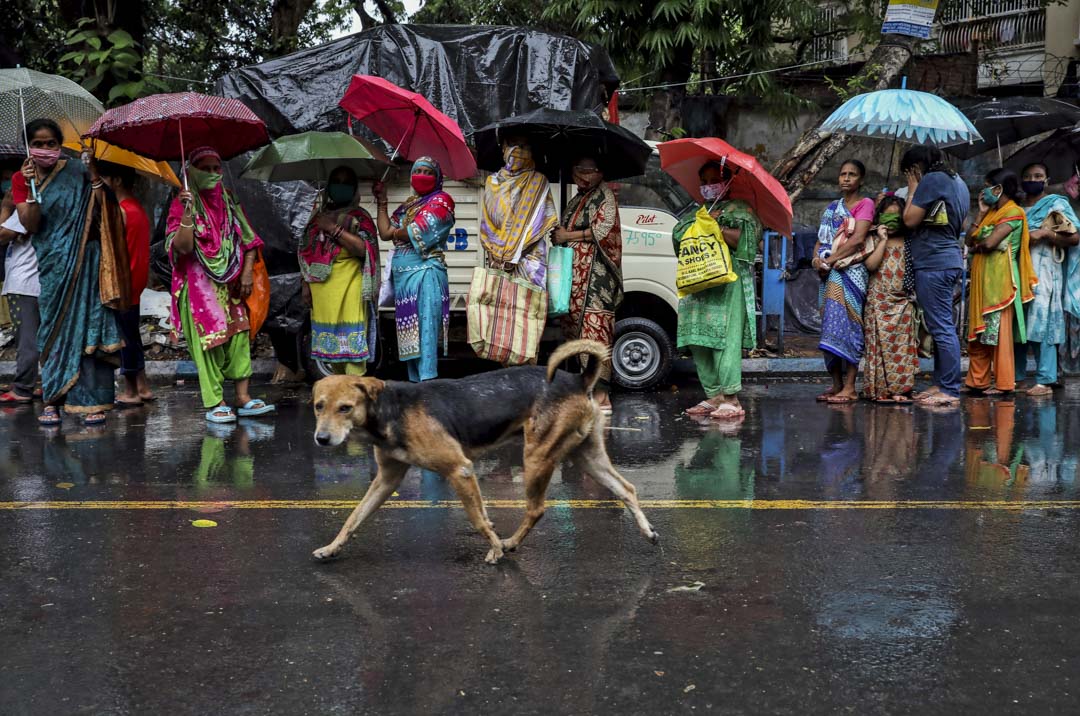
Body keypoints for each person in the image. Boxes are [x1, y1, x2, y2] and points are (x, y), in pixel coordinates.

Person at [12, 119, 124, 426]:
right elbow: (31, 224)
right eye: (38, 143)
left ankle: (92, 402)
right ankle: (53, 400)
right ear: (28, 146)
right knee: (53, 330)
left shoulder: (76, 171)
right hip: (52, 266)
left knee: (88, 326)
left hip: (87, 261)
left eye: (51, 143)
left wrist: (93, 174)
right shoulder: (21, 179)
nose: (46, 149)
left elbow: (107, 210)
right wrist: (32, 190)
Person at [166, 146, 274, 423]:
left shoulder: (228, 200)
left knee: (239, 336)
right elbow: (184, 248)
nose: (214, 174)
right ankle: (216, 402)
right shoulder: (181, 203)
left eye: (217, 169)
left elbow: (250, 242)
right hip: (198, 287)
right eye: (206, 169)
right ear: (191, 173)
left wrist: (247, 273)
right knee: (209, 342)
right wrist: (188, 213)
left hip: (231, 282)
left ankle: (243, 397)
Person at [678, 160, 762, 420]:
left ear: (726, 182)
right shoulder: (697, 211)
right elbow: (678, 236)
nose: (707, 187)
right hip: (698, 285)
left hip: (728, 285)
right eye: (703, 182)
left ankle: (731, 399)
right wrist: (699, 225)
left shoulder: (742, 210)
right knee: (699, 338)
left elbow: (747, 241)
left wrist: (717, 228)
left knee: (725, 339)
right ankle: (713, 395)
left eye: (713, 181)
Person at [901, 145, 970, 408]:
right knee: (942, 326)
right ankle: (942, 382)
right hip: (947, 258)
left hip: (933, 262)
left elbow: (909, 219)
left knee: (941, 327)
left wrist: (912, 187)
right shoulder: (957, 180)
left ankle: (950, 389)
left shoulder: (931, 179)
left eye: (909, 171)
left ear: (916, 167)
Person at [374, 157, 454, 382]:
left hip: (426, 274)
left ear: (437, 178)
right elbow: (384, 232)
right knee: (409, 336)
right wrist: (382, 201)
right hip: (404, 280)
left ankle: (427, 387)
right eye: (417, 171)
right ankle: (414, 384)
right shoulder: (408, 205)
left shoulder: (442, 201)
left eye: (427, 172)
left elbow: (417, 230)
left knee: (426, 333)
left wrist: (397, 232)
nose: (421, 175)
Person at [553, 156, 622, 413]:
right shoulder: (577, 199)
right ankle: (586, 390)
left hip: (596, 279)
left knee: (596, 331)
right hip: (575, 277)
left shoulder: (605, 196)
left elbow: (604, 231)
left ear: (600, 172)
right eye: (578, 171)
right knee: (578, 332)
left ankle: (602, 396)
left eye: (588, 171)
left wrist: (568, 235)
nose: (582, 176)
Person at [963, 168, 1037, 396]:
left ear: (998, 189)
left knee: (1000, 334)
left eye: (987, 185)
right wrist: (980, 214)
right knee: (980, 333)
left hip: (1001, 281)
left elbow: (990, 243)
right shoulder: (991, 212)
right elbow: (969, 239)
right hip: (983, 278)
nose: (983, 191)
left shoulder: (1013, 212)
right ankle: (978, 381)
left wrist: (978, 244)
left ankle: (1004, 384)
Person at [300, 165, 379, 376]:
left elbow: (364, 249)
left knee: (353, 349)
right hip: (322, 293)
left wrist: (333, 229)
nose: (341, 187)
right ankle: (339, 395)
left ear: (354, 189)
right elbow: (306, 252)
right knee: (331, 353)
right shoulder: (318, 216)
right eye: (337, 182)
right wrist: (305, 284)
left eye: (346, 183)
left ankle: (353, 397)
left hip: (350, 288)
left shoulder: (360, 217)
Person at [812, 159, 874, 404]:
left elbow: (858, 239)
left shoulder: (865, 204)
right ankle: (836, 384)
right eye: (843, 174)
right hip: (828, 274)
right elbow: (820, 240)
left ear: (861, 179)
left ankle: (850, 386)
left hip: (851, 273)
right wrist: (817, 260)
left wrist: (833, 259)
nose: (846, 178)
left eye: (852, 174)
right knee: (830, 326)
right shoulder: (832, 207)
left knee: (849, 326)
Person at [1017, 162, 1080, 396]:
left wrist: (1044, 233)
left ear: (1046, 179)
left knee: (1042, 322)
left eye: (1038, 175)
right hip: (1017, 272)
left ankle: (1045, 379)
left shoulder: (1054, 205)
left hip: (1045, 273)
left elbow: (1073, 238)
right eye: (1027, 175)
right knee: (1018, 323)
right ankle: (1017, 377)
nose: (1032, 179)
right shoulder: (1016, 208)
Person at [98, 161, 154, 407]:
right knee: (132, 334)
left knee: (124, 338)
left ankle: (130, 391)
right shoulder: (136, 208)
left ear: (117, 180)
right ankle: (141, 386)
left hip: (122, 283)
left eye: (104, 179)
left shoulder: (120, 211)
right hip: (134, 281)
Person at [479, 137, 558, 292]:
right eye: (512, 145)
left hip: (530, 261)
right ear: (503, 148)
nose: (517, 150)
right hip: (497, 260)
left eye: (523, 146)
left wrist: (513, 256)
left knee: (529, 311)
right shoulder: (492, 182)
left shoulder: (539, 181)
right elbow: (487, 225)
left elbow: (538, 225)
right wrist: (495, 257)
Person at [862, 194, 918, 403]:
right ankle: (881, 390)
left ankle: (900, 389)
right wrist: (883, 240)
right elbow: (871, 266)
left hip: (902, 302)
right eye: (887, 216)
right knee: (878, 347)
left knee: (901, 347)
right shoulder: (874, 239)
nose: (891, 221)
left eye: (896, 217)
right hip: (878, 301)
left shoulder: (910, 241)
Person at [0, 155, 40, 404]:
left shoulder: (27, 210)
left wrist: (6, 205)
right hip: (33, 282)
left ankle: (23, 387)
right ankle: (38, 382)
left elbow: (2, 234)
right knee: (39, 336)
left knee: (27, 337)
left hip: (24, 282)